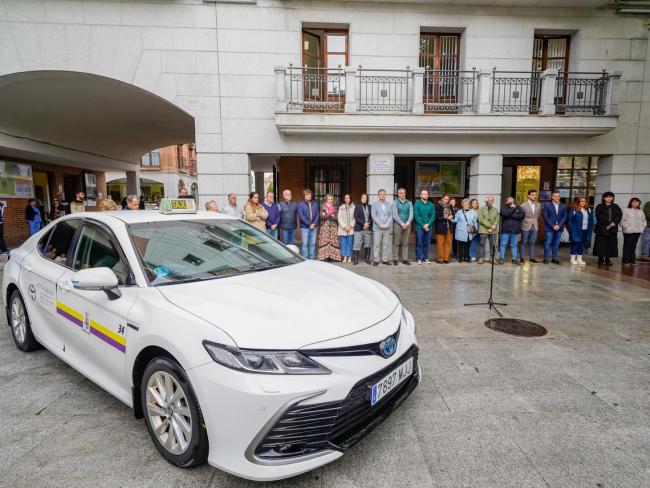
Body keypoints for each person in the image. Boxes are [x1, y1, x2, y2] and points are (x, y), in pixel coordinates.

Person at [593, 191, 623, 266]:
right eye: (607, 197)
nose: (609, 198)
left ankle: (607, 259)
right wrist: (608, 223)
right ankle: (600, 259)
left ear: (612, 198)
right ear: (604, 198)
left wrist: (613, 223)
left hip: (612, 228)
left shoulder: (615, 206)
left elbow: (619, 215)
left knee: (610, 244)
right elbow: (599, 216)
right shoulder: (599, 206)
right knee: (601, 244)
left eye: (610, 197)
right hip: (602, 228)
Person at [542, 190, 567, 264]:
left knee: (556, 243)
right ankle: (545, 258)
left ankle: (554, 258)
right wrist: (553, 226)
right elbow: (546, 217)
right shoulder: (547, 205)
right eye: (555, 196)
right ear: (552, 197)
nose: (557, 197)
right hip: (549, 228)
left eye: (558, 196)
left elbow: (565, 217)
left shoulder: (563, 206)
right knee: (548, 243)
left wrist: (559, 225)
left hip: (559, 228)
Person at [567, 196, 593, 266]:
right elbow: (569, 220)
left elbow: (591, 221)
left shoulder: (589, 210)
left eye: (584, 201)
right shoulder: (574, 210)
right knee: (575, 244)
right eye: (581, 201)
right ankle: (572, 259)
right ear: (578, 202)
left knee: (581, 245)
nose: (583, 203)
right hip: (576, 230)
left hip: (585, 230)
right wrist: (572, 229)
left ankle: (579, 259)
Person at [621, 197, 647, 267]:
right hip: (628, 231)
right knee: (627, 246)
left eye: (637, 202)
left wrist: (642, 228)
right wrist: (627, 227)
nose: (636, 203)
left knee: (633, 246)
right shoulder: (627, 210)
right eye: (634, 201)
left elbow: (644, 221)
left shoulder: (640, 210)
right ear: (631, 202)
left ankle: (632, 260)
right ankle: (625, 260)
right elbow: (622, 221)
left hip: (637, 231)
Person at [499, 196, 524, 265]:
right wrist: (513, 209)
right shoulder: (504, 208)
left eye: (512, 199)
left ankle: (514, 259)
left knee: (514, 245)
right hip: (506, 230)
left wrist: (511, 215)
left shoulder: (519, 208)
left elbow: (522, 216)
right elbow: (505, 214)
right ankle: (501, 259)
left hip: (515, 230)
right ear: (506, 201)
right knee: (503, 244)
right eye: (509, 199)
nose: (511, 200)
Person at [391, 188, 413, 265]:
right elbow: (395, 215)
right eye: (401, 193)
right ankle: (395, 259)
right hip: (398, 224)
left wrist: (407, 223)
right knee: (396, 242)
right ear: (398, 194)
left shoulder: (409, 202)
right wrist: (402, 224)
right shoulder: (395, 202)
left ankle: (404, 259)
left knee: (405, 242)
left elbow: (411, 214)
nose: (402, 194)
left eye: (404, 193)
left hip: (407, 224)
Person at [414, 189, 436, 265]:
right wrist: (423, 225)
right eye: (423, 194)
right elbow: (416, 215)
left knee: (426, 243)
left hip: (429, 227)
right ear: (420, 195)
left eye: (426, 194)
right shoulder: (417, 204)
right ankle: (419, 258)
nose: (425, 195)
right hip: (420, 227)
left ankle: (425, 258)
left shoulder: (431, 204)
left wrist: (428, 224)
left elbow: (433, 216)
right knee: (419, 243)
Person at [371, 189, 392, 266]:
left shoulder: (389, 205)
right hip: (377, 228)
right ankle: (376, 260)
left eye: (384, 194)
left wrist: (387, 224)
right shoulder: (374, 205)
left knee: (385, 245)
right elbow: (373, 216)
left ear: (385, 195)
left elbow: (391, 216)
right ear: (378, 195)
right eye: (381, 194)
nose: (383, 195)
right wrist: (380, 224)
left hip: (386, 228)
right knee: (376, 244)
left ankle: (385, 260)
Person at [520, 189, 541, 263]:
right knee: (523, 242)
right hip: (525, 224)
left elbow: (538, 214)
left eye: (535, 195)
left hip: (534, 225)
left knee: (532, 242)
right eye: (532, 195)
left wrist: (534, 220)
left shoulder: (538, 204)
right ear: (528, 195)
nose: (534, 196)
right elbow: (521, 215)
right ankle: (521, 257)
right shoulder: (523, 205)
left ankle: (532, 258)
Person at [317, 193, 340, 262]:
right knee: (324, 241)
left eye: (331, 199)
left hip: (333, 226)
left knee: (333, 241)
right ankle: (324, 257)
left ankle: (331, 257)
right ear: (326, 199)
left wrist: (329, 215)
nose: (330, 200)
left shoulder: (335, 207)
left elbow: (336, 218)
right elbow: (321, 216)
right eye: (329, 199)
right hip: (325, 226)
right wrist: (330, 215)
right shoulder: (322, 206)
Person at [453, 198, 477, 263]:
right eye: (464, 204)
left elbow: (474, 221)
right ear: (462, 205)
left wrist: (475, 229)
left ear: (469, 205)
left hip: (469, 232)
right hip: (461, 231)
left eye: (467, 204)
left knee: (468, 245)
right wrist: (450, 217)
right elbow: (455, 220)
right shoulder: (459, 212)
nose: (466, 205)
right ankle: (460, 258)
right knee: (460, 245)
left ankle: (466, 257)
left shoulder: (472, 212)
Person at [477, 196, 499, 264]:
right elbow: (480, 220)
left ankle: (492, 258)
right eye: (489, 200)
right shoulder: (481, 209)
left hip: (493, 230)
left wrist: (494, 225)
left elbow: (497, 219)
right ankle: (481, 258)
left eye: (492, 201)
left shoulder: (495, 209)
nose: (490, 202)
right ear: (486, 201)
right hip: (483, 229)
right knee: (482, 243)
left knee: (493, 244)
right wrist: (490, 226)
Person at [298, 189, 319, 259]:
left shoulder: (315, 203)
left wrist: (314, 224)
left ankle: (311, 258)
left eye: (310, 194)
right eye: (307, 194)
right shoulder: (301, 204)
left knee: (312, 244)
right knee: (304, 244)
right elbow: (301, 216)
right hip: (305, 227)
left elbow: (317, 215)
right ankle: (305, 259)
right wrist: (309, 224)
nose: (309, 195)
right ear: (304, 196)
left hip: (314, 227)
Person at [353, 193, 373, 265]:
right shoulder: (357, 206)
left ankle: (367, 258)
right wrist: (363, 224)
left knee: (368, 243)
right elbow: (356, 217)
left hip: (368, 228)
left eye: (365, 198)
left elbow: (372, 217)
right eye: (363, 198)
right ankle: (355, 259)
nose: (364, 199)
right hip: (359, 228)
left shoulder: (370, 207)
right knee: (357, 243)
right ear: (361, 198)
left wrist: (368, 224)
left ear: (367, 199)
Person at [435, 194, 454, 264]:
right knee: (440, 243)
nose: (447, 200)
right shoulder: (438, 205)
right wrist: (445, 218)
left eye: (448, 199)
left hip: (449, 227)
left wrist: (452, 216)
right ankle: (440, 258)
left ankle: (446, 258)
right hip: (440, 227)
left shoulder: (450, 205)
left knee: (448, 243)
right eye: (445, 199)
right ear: (442, 199)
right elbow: (437, 217)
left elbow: (453, 214)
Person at [338, 194, 355, 263]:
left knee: (350, 243)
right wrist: (344, 226)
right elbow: (339, 218)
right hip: (343, 229)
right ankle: (344, 257)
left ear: (350, 199)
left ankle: (349, 257)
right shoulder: (341, 207)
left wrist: (350, 226)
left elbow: (355, 218)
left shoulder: (354, 207)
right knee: (343, 243)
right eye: (346, 198)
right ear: (344, 199)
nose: (347, 199)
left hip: (350, 229)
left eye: (348, 198)